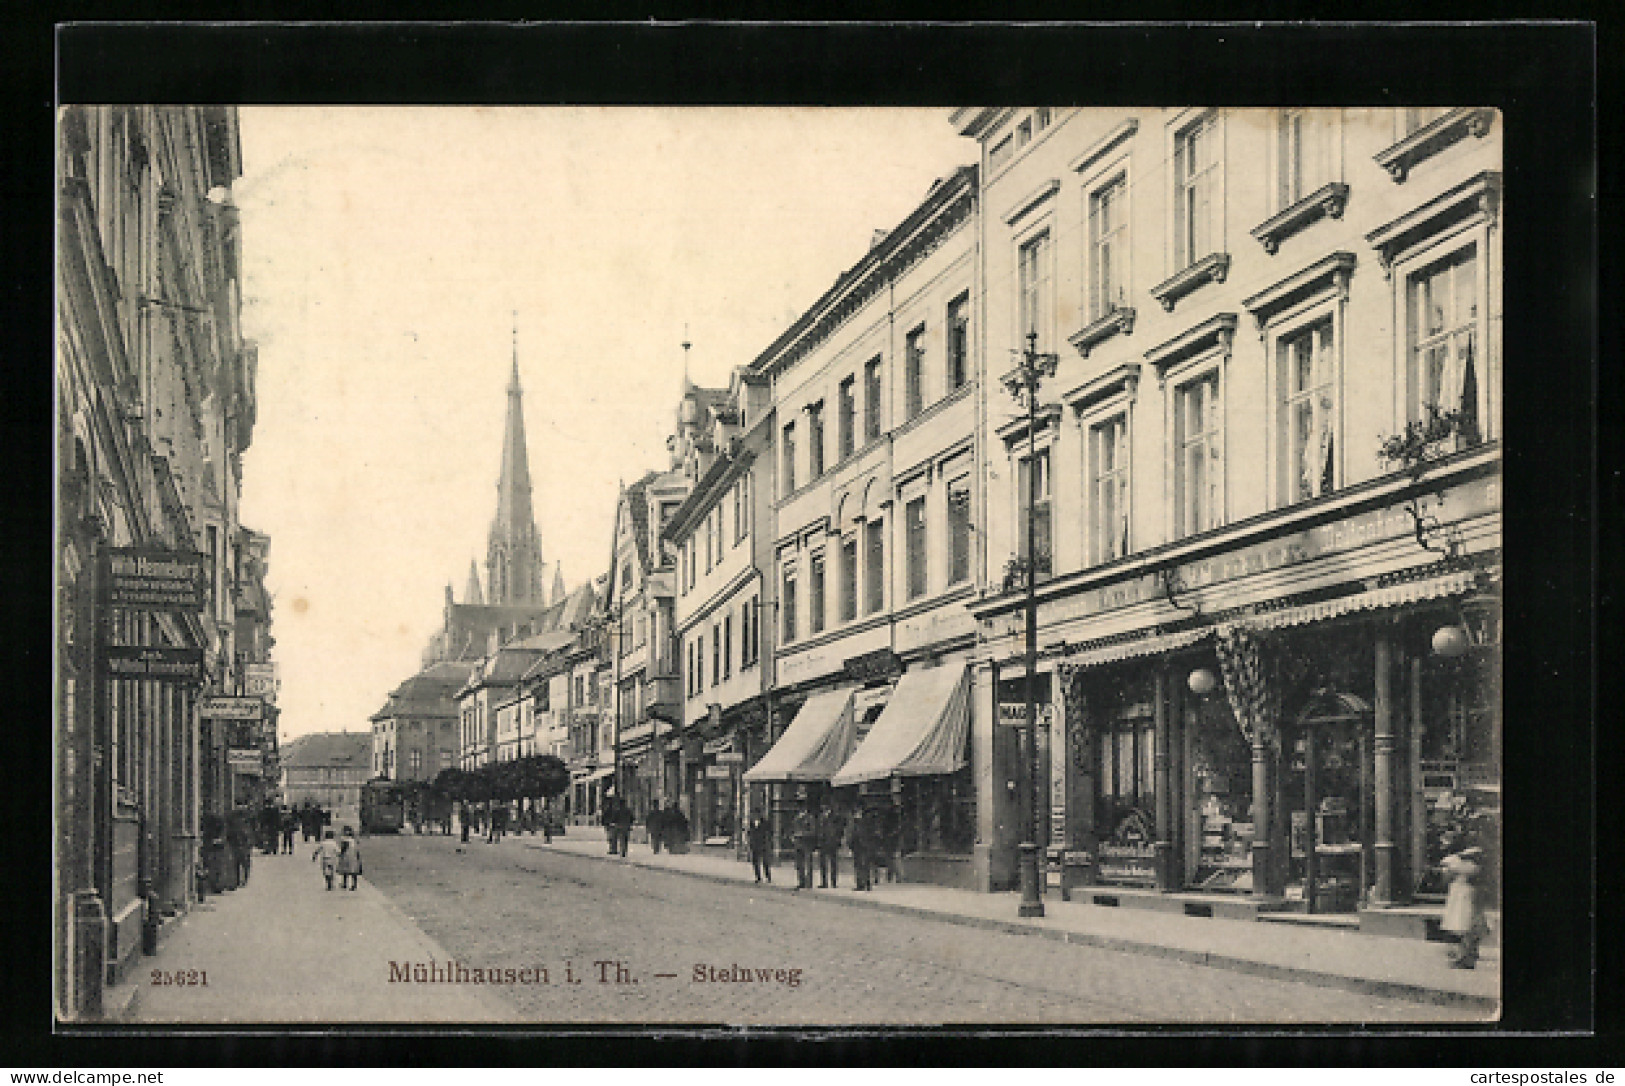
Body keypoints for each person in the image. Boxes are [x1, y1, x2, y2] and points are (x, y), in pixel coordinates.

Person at [1441, 845, 1489, 968]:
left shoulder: (1467, 867)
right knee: (1467, 924)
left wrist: (1453, 863)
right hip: (1465, 896)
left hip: (1464, 897)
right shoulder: (1471, 868)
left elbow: (1447, 864)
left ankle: (1466, 957)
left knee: (1464, 924)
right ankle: (1468, 954)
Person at [790, 805, 818, 890]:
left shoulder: (810, 818)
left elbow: (813, 831)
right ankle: (801, 882)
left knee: (807, 863)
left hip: (806, 843)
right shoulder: (796, 818)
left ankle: (809, 883)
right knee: (799, 864)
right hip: (798, 843)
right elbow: (793, 830)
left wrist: (802, 834)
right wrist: (792, 837)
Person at [816, 804, 844, 889]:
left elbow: (839, 829)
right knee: (823, 863)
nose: (823, 809)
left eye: (825, 808)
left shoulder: (835, 817)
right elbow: (819, 830)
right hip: (823, 843)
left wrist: (837, 840)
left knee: (833, 863)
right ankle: (824, 882)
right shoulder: (821, 817)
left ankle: (833, 882)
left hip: (832, 842)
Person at [849, 809, 874, 891]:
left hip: (862, 847)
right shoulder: (856, 824)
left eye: (858, 813)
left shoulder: (862, 824)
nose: (857, 815)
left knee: (863, 865)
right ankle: (862, 883)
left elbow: (855, 835)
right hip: (859, 847)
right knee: (860, 866)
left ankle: (864, 883)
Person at [747, 814, 773, 884]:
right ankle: (758, 877)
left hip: (763, 844)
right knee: (755, 862)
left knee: (766, 861)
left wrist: (768, 843)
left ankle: (768, 877)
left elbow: (769, 833)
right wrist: (750, 844)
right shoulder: (751, 824)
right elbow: (750, 834)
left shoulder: (765, 823)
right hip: (755, 845)